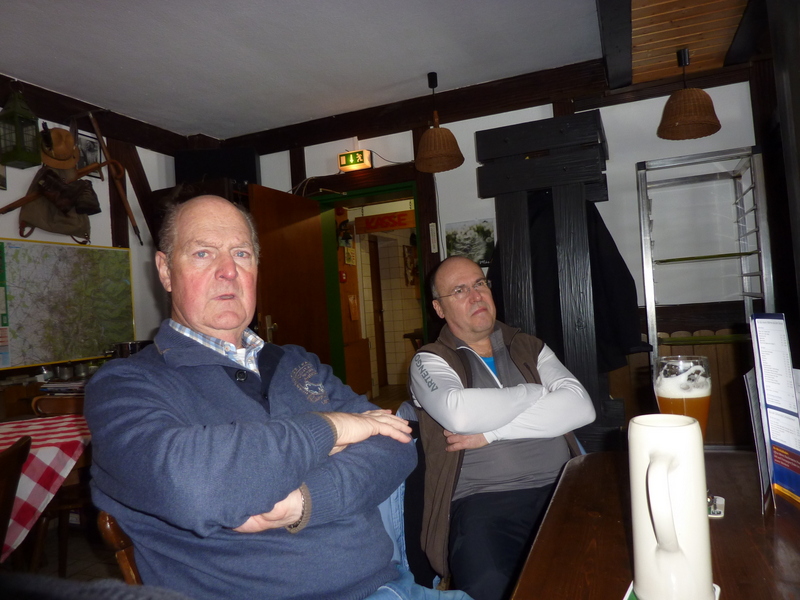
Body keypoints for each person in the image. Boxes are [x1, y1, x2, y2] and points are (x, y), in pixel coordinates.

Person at [85, 196, 472, 600]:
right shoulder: (124, 385)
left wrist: (303, 502)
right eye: (203, 253)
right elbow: (195, 487)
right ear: (166, 271)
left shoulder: (296, 363)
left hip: (390, 586)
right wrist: (334, 427)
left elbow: (399, 443)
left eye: (241, 253)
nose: (228, 270)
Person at [408, 256, 596, 600]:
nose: (475, 295)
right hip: (482, 502)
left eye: (480, 283)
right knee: (490, 584)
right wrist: (533, 393)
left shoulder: (529, 346)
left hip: (560, 489)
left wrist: (490, 433)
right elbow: (459, 413)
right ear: (439, 308)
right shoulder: (429, 360)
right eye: (459, 290)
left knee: (594, 574)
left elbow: (580, 406)